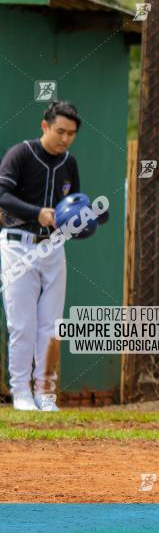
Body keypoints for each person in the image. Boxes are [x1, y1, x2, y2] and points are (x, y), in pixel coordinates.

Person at [0, 101, 81, 411]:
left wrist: (88, 219)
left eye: (71, 133)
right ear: (44, 126)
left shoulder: (69, 163)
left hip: (53, 248)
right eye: (60, 131)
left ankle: (45, 394)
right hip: (19, 243)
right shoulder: (21, 154)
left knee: (52, 325)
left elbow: (74, 205)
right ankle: (20, 393)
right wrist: (38, 213)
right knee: (22, 325)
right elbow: (2, 195)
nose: (64, 138)